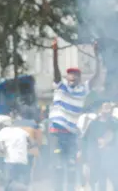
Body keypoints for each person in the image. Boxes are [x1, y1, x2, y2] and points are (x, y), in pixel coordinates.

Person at [49, 38, 100, 191]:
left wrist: (96, 55)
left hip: (71, 133)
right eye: (70, 74)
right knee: (58, 166)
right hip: (56, 132)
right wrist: (55, 52)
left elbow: (96, 75)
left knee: (71, 166)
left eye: (75, 74)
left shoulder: (83, 90)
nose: (72, 76)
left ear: (79, 78)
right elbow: (56, 70)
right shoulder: (61, 85)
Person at [81, 102, 118, 191]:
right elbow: (85, 140)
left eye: (108, 107)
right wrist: (85, 156)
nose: (107, 109)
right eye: (104, 107)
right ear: (100, 109)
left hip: (112, 158)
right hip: (97, 158)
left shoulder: (115, 122)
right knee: (100, 183)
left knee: (115, 181)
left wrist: (109, 143)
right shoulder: (93, 124)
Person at [0, 126, 31, 191]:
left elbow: (1, 149)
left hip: (10, 161)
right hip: (23, 161)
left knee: (8, 183)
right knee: (23, 183)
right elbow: (32, 142)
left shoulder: (2, 132)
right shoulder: (21, 130)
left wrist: (3, 152)